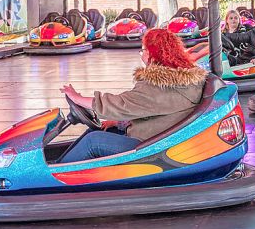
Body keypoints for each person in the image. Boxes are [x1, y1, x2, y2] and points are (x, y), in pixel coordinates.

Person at [58, 29, 207, 163]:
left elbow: (120, 104)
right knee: (97, 131)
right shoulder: (178, 81)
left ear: (152, 53)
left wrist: (78, 99)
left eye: (143, 50)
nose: (141, 54)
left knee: (92, 141)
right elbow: (151, 111)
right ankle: (60, 165)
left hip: (152, 149)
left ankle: (53, 177)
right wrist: (118, 123)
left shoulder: (161, 86)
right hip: (156, 137)